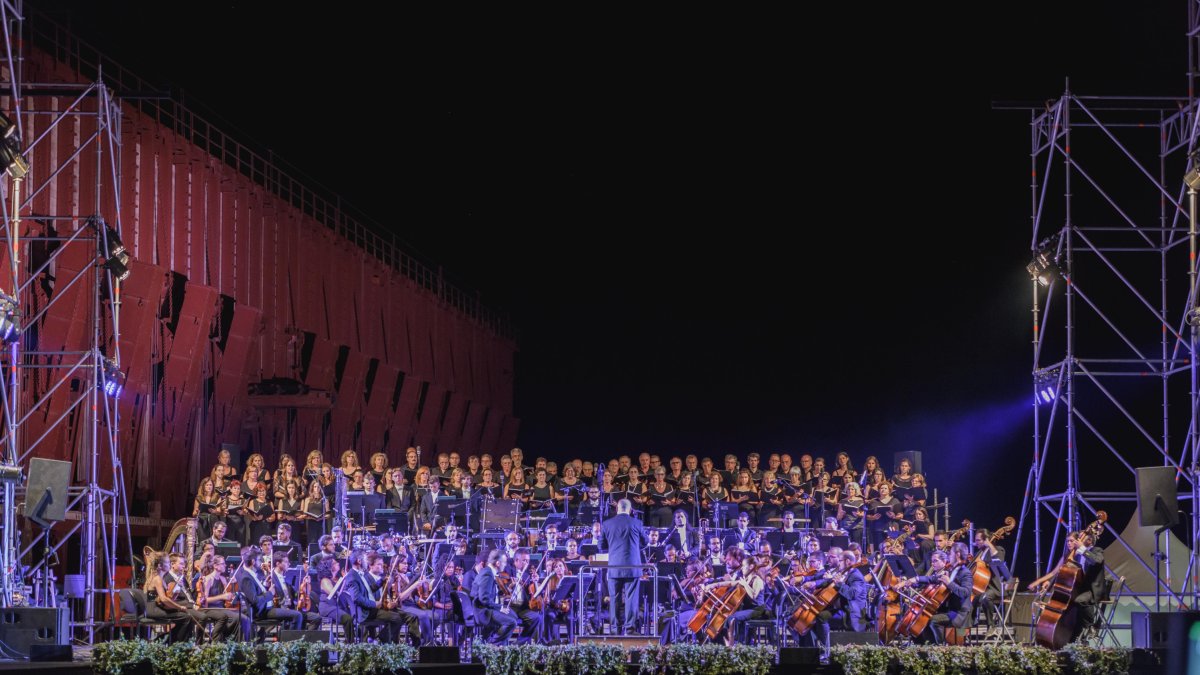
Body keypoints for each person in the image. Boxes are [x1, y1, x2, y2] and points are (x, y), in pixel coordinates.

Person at [1028, 529, 1105, 642]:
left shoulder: (1096, 550)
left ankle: (1091, 626)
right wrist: (1049, 581)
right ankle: (1072, 639)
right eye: (1068, 541)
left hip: (1092, 590)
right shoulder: (1077, 555)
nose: (1070, 543)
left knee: (1079, 600)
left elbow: (1097, 561)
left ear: (1089, 540)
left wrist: (1083, 550)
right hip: (1080, 590)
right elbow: (1062, 572)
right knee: (1071, 607)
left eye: (1073, 540)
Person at [898, 545, 973, 644]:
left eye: (950, 554)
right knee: (924, 620)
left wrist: (949, 583)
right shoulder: (951, 570)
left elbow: (965, 593)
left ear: (957, 555)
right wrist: (914, 579)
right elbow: (932, 578)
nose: (949, 556)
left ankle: (939, 647)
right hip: (950, 610)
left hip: (959, 613)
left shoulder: (965, 572)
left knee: (933, 620)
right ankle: (929, 646)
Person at [600, 498, 648, 634]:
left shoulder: (607, 524)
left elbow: (601, 546)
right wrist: (634, 547)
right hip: (633, 567)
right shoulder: (637, 523)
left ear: (617, 509)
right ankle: (630, 629)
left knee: (614, 598)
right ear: (630, 510)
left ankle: (615, 629)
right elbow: (645, 542)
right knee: (631, 598)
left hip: (614, 567)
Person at [470, 549, 519, 644]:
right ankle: (494, 645)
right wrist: (500, 608)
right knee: (511, 622)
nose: (505, 565)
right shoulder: (487, 574)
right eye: (504, 562)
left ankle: (496, 644)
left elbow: (491, 592)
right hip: (483, 612)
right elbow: (484, 599)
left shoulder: (489, 572)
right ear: (497, 563)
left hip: (488, 608)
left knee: (514, 616)